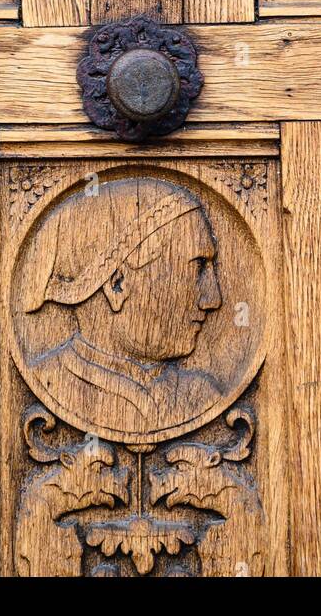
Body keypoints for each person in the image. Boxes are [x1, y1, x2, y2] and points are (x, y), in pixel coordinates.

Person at [22, 179, 224, 436]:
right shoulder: (49, 382)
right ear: (117, 285)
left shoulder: (202, 396)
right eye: (198, 268)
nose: (213, 300)